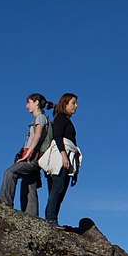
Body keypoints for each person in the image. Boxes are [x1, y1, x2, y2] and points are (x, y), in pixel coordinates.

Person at [0, 93, 53, 215]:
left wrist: (26, 154)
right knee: (29, 186)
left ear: (36, 102)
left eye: (29, 102)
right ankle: (31, 216)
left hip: (32, 158)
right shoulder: (42, 118)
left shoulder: (40, 118)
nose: (26, 106)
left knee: (10, 173)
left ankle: (4, 204)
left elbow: (37, 135)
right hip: (36, 158)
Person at [43, 92, 81, 226]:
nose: (75, 106)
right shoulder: (60, 118)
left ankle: (53, 218)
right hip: (60, 156)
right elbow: (58, 136)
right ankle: (50, 218)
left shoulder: (66, 120)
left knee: (61, 190)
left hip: (68, 156)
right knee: (57, 188)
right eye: (73, 103)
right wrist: (63, 155)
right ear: (65, 104)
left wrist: (75, 169)